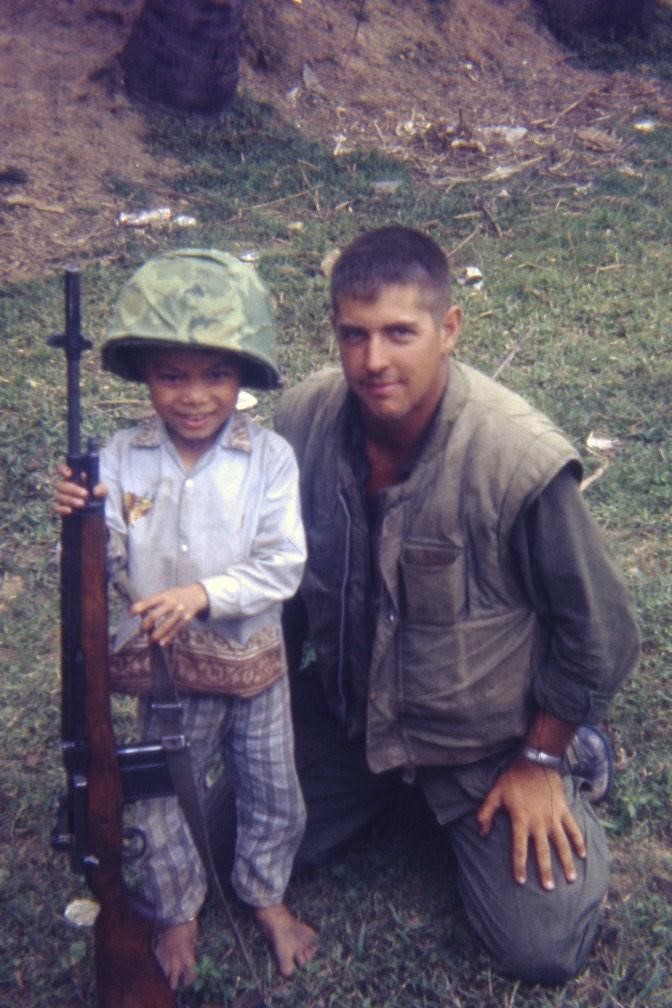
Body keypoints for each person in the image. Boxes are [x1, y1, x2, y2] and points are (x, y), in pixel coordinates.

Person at [270, 225, 640, 983]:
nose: (374, 361)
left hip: (485, 746)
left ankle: (576, 755)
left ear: (449, 329)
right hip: (350, 721)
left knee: (542, 945)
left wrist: (539, 757)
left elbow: (601, 632)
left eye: (400, 333)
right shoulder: (302, 421)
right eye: (354, 335)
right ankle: (380, 791)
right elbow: (277, 585)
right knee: (214, 849)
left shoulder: (516, 458)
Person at [54, 249, 318, 989]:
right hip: (165, 675)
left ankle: (266, 896)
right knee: (161, 798)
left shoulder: (269, 459)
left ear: (244, 377)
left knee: (273, 791)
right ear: (145, 376)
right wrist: (79, 516)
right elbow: (102, 559)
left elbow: (283, 565)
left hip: (255, 666)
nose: (195, 396)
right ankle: (176, 911)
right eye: (172, 376)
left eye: (216, 375)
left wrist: (201, 594)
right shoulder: (122, 458)